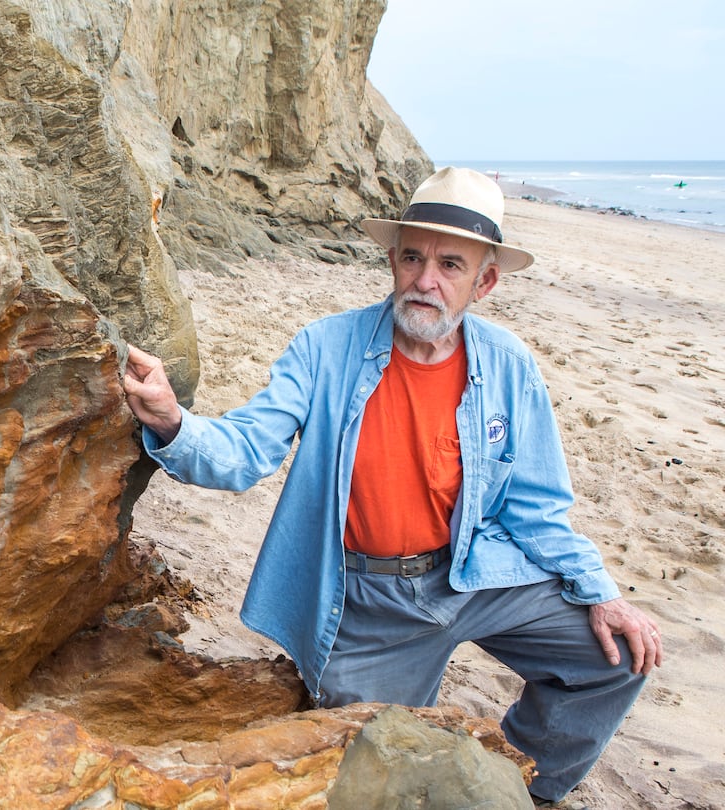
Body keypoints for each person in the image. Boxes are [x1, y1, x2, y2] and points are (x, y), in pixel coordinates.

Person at [122, 167, 663, 806]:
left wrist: (601, 593)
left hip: (473, 574)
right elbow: (246, 450)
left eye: (451, 265)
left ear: (484, 282)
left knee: (616, 658)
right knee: (369, 771)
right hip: (370, 599)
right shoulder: (325, 347)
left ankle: (528, 787)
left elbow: (538, 509)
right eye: (413, 257)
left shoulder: (509, 365)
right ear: (392, 259)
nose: (426, 280)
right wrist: (170, 419)